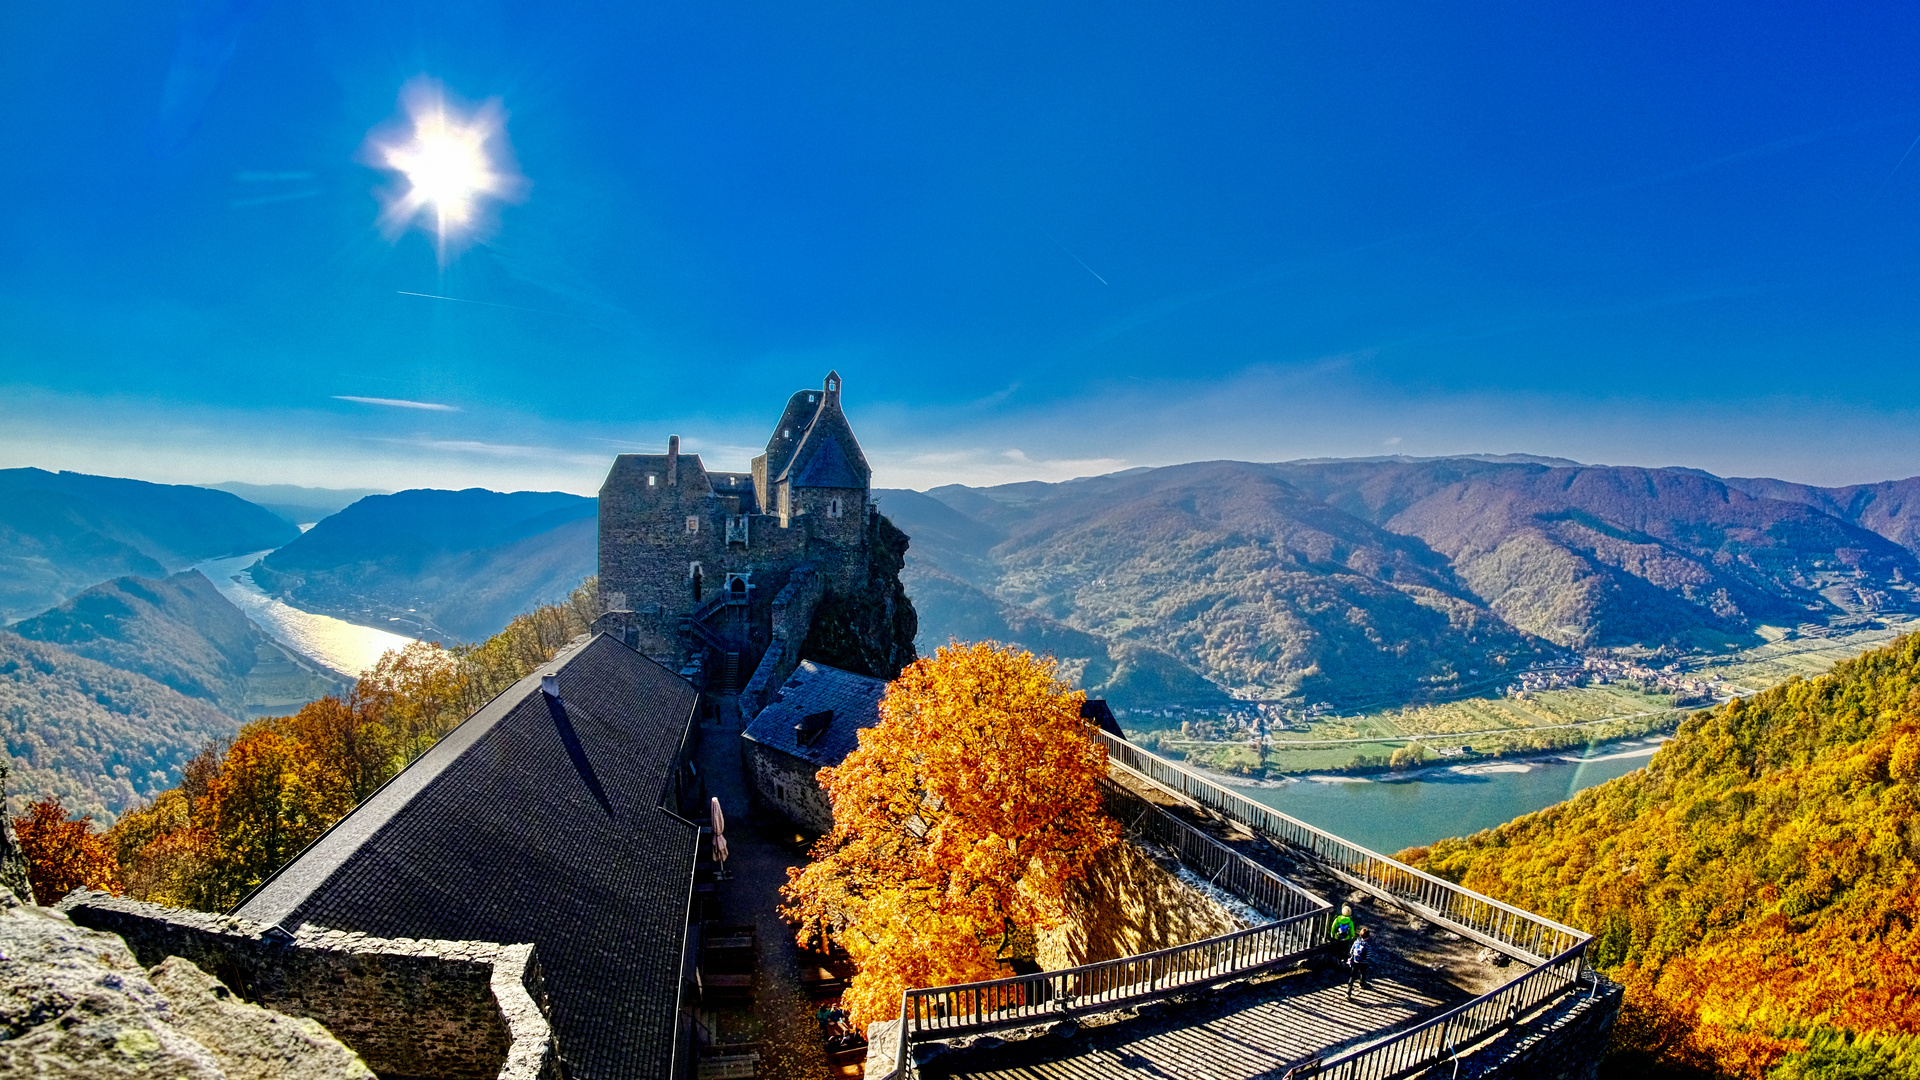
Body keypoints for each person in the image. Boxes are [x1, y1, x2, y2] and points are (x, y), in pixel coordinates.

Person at [1345, 928, 1372, 1000]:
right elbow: (1368, 956)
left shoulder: (1356, 942)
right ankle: (1362, 984)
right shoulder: (1368, 945)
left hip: (1355, 962)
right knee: (1363, 973)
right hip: (1363, 963)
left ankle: (1348, 992)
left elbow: (1351, 951)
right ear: (1368, 936)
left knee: (1352, 976)